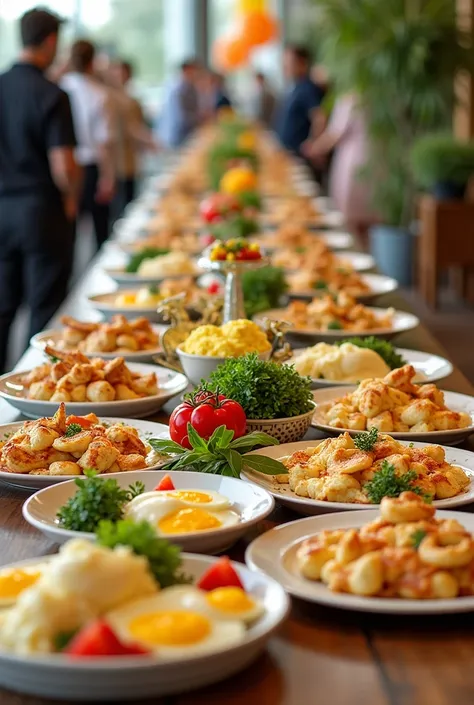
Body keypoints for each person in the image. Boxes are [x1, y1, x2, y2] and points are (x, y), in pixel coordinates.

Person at [0, 7, 79, 373]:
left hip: (2, 209)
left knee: (2, 307)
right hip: (40, 210)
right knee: (44, 311)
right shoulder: (52, 93)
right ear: (50, 41)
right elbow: (63, 164)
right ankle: (33, 407)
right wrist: (73, 196)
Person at [61, 40, 116, 250]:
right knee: (100, 230)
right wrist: (108, 176)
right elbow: (104, 141)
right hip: (91, 166)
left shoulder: (60, 88)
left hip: (66, 165)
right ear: (93, 61)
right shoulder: (99, 93)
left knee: (69, 233)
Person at [303, 94, 377, 238]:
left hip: (352, 160)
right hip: (374, 158)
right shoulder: (375, 95)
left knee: (350, 215)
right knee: (369, 214)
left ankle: (354, 248)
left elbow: (336, 132)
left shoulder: (350, 98)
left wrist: (315, 148)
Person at [109, 59, 158, 218]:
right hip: (117, 158)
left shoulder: (130, 99)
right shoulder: (111, 98)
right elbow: (133, 128)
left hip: (130, 157)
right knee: (120, 204)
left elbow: (136, 126)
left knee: (128, 200)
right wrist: (148, 139)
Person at [275, 45, 324, 158]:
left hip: (300, 156)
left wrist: (313, 143)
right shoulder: (295, 87)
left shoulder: (308, 88)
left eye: (289, 62)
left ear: (302, 63)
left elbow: (319, 117)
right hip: (288, 153)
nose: (285, 66)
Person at [158, 59, 201, 148]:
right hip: (178, 136)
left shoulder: (189, 88)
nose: (196, 75)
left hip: (182, 134)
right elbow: (181, 118)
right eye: (194, 71)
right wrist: (199, 117)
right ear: (186, 71)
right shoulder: (180, 90)